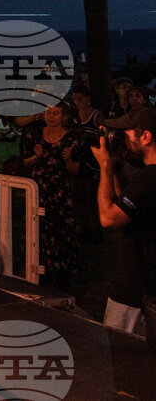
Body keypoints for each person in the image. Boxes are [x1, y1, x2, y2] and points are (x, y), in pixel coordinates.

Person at [92, 108, 156, 335]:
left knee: (120, 361)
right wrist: (116, 166)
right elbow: (125, 204)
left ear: (145, 137)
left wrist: (105, 166)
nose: (122, 139)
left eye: (126, 134)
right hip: (146, 289)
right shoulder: (146, 178)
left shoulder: (149, 180)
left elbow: (109, 218)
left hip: (135, 292)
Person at [21, 102, 82, 290]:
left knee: (61, 231)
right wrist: (36, 157)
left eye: (56, 113)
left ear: (63, 116)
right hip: (39, 190)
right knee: (39, 230)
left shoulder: (72, 138)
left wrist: (68, 160)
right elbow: (24, 162)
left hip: (60, 192)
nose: (51, 116)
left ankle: (63, 275)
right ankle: (40, 271)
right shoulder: (34, 134)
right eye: (48, 112)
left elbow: (76, 169)